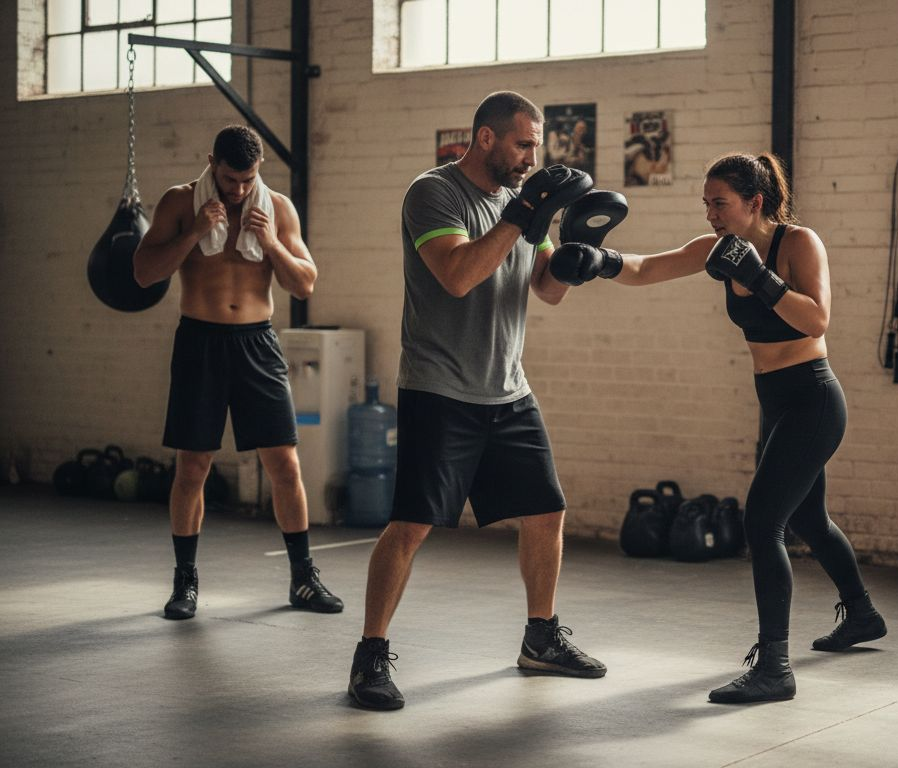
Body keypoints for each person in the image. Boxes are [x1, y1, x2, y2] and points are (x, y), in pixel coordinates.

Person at [548, 152, 887, 704]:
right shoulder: (716, 249)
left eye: (720, 203)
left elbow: (817, 319)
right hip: (775, 403)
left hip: (814, 399)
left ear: (755, 202)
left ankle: (774, 667)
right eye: (706, 203)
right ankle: (863, 614)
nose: (710, 214)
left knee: (763, 522)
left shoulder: (799, 244)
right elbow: (648, 268)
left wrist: (759, 276)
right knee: (808, 518)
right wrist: (599, 260)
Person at [347, 91, 604, 711]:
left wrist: (576, 252)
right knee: (411, 525)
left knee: (545, 512)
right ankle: (370, 656)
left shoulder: (523, 205)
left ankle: (540, 639)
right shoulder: (434, 193)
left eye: (537, 146)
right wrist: (523, 212)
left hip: (508, 387)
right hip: (440, 387)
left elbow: (547, 291)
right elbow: (459, 275)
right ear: (486, 138)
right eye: (523, 144)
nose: (532, 157)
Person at [132, 125, 342, 620]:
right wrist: (194, 232)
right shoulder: (180, 202)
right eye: (230, 179)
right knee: (193, 466)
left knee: (285, 464)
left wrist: (270, 243)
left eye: (248, 180)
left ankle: (303, 578)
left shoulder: (277, 209)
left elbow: (304, 284)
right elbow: (143, 274)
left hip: (257, 342)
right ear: (212, 163)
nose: (240, 189)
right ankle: (185, 581)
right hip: (199, 342)